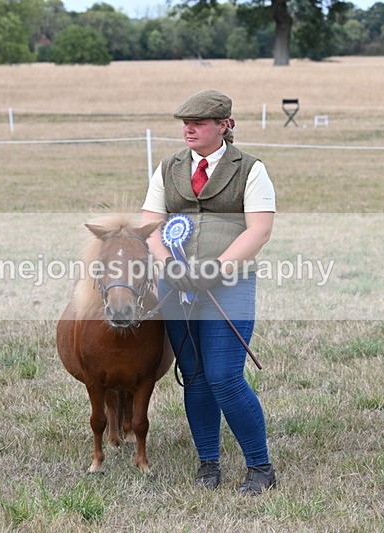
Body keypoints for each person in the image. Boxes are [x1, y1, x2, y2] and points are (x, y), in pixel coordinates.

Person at [141, 89, 276, 494]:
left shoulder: (251, 169)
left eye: (198, 122)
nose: (189, 129)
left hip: (229, 285)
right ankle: (208, 464)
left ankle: (261, 467)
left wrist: (215, 269)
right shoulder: (168, 167)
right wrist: (170, 266)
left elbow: (260, 229)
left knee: (225, 377)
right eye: (185, 123)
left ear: (224, 125)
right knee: (195, 376)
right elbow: (150, 223)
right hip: (176, 286)